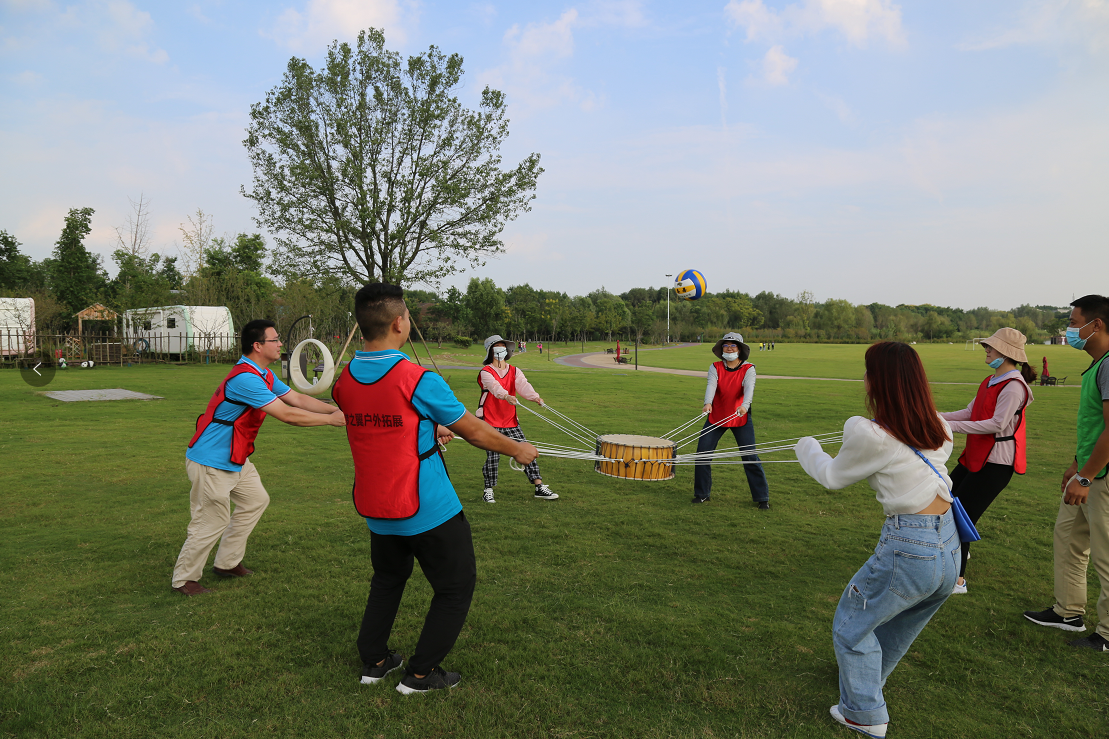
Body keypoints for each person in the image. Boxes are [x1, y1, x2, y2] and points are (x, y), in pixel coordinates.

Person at [332, 283, 539, 694]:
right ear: (398, 323)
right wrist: (518, 449)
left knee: (388, 579)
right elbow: (477, 432)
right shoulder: (415, 377)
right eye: (408, 315)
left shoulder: (346, 380)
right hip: (427, 507)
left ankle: (374, 661)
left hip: (377, 505)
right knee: (456, 585)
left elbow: (384, 423)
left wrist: (428, 429)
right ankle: (422, 674)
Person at [795, 341, 958, 738]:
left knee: (850, 625)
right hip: (949, 546)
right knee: (898, 624)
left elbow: (833, 477)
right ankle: (864, 686)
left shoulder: (868, 432)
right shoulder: (938, 425)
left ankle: (865, 716)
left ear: (877, 382)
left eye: (868, 372)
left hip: (911, 545)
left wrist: (807, 448)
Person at [171, 319, 345, 596]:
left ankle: (227, 563)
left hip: (235, 456)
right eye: (274, 340)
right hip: (210, 460)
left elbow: (296, 400)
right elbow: (287, 414)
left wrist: (334, 409)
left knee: (255, 501)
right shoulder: (245, 379)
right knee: (210, 520)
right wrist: (330, 421)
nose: (280, 345)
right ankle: (185, 579)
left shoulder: (262, 374)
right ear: (257, 345)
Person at [1024, 294, 1109, 650]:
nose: (1069, 330)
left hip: (1101, 479)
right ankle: (1068, 612)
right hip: (1088, 472)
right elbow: (1092, 425)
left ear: (1097, 325)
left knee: (1106, 554)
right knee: (1069, 537)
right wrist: (1077, 465)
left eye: (1074, 324)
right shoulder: (1097, 364)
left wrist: (1088, 477)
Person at [939, 327, 1035, 594]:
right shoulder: (990, 380)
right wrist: (935, 416)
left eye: (991, 346)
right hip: (975, 458)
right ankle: (958, 553)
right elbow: (969, 412)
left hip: (996, 464)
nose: (986, 349)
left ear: (1006, 352)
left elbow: (996, 424)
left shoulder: (1014, 386)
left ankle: (958, 581)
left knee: (962, 517)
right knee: (945, 502)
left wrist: (949, 427)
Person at [476, 334, 558, 502]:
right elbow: (494, 387)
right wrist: (506, 396)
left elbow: (523, 385)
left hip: (510, 419)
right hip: (490, 419)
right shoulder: (486, 372)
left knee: (525, 450)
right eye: (496, 347)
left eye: (502, 346)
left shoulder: (514, 370)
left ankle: (539, 486)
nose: (500, 349)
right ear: (491, 351)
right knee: (493, 455)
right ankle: (488, 489)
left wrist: (535, 397)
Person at [692, 332, 770, 508]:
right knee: (702, 454)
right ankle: (702, 494)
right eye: (726, 345)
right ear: (721, 349)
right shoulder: (715, 367)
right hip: (717, 415)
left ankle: (762, 498)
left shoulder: (748, 368)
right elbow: (711, 385)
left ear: (740, 349)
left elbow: (749, 388)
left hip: (739, 416)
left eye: (733, 345)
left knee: (750, 456)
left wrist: (745, 406)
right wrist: (707, 403)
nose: (729, 348)